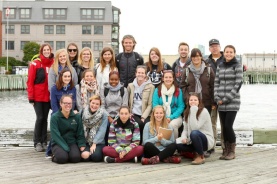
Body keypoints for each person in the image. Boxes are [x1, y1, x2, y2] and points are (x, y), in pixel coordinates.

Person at [214, 45, 243, 160]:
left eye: (231, 52)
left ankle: (232, 150)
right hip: (220, 102)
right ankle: (225, 150)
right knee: (224, 128)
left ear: (234, 53)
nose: (228, 54)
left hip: (232, 101)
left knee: (228, 125)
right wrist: (216, 97)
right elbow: (217, 82)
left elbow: (238, 84)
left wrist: (226, 99)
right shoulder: (220, 66)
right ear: (224, 53)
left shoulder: (237, 66)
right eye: (227, 52)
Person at [27, 43, 54, 152]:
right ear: (41, 51)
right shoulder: (36, 64)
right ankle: (37, 141)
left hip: (48, 97)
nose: (46, 51)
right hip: (38, 97)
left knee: (46, 118)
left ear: (50, 51)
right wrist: (31, 97)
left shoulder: (53, 64)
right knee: (40, 118)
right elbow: (30, 81)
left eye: (48, 50)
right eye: (44, 50)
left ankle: (44, 141)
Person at [176, 93, 214, 165]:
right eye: (191, 100)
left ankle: (200, 156)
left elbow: (195, 128)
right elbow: (185, 129)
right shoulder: (187, 112)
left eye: (195, 100)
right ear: (188, 101)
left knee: (194, 133)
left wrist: (193, 110)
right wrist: (183, 138)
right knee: (177, 144)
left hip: (205, 140)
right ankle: (194, 153)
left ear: (199, 101)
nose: (193, 102)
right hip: (192, 139)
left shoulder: (204, 111)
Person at [50, 94, 86, 164]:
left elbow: (80, 132)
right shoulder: (55, 117)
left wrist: (81, 144)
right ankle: (54, 156)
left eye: (69, 103)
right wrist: (66, 148)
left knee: (75, 158)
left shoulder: (76, 116)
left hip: (72, 142)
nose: (67, 105)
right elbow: (55, 135)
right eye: (65, 103)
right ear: (60, 104)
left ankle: (68, 155)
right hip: (58, 143)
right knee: (62, 159)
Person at [205, 38, 225, 157]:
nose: (214, 48)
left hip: (223, 97)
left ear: (220, 47)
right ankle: (211, 146)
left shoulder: (226, 59)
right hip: (211, 98)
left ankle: (224, 146)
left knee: (224, 123)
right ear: (209, 48)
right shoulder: (206, 61)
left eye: (216, 46)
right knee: (212, 123)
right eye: (212, 46)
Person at [180, 48, 215, 114]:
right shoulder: (187, 70)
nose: (195, 58)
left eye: (197, 56)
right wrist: (187, 98)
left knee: (205, 123)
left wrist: (213, 102)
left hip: (206, 102)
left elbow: (213, 86)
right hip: (191, 103)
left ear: (201, 57)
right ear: (191, 58)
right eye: (193, 56)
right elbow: (183, 86)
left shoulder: (208, 70)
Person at [152, 70, 185, 139]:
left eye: (170, 77)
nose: (168, 79)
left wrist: (171, 117)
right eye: (166, 77)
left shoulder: (178, 91)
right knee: (159, 123)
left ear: (173, 79)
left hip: (175, 116)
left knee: (172, 125)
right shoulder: (157, 90)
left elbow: (181, 106)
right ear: (163, 79)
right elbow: (155, 105)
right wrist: (165, 117)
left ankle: (174, 144)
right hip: (160, 115)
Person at [127, 65, 155, 144]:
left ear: (145, 74)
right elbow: (128, 102)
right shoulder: (130, 86)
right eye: (139, 72)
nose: (140, 74)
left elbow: (150, 104)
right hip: (134, 113)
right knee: (138, 124)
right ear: (136, 73)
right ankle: (136, 144)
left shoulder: (151, 87)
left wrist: (143, 117)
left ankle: (145, 145)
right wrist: (129, 113)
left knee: (146, 124)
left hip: (145, 113)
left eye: (142, 73)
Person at [80, 95, 108, 162]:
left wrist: (94, 143)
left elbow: (102, 130)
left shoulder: (103, 114)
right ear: (90, 102)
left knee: (96, 157)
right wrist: (81, 143)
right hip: (85, 140)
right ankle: (88, 153)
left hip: (98, 141)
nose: (94, 105)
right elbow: (79, 128)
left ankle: (94, 153)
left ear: (100, 105)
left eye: (97, 104)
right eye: (93, 103)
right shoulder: (83, 112)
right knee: (85, 157)